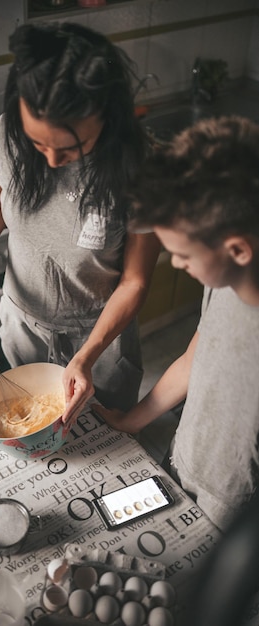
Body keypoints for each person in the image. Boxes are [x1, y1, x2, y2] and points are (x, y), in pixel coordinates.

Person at [0, 22, 160, 424]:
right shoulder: (0, 136)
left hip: (101, 335)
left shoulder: (139, 166)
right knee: (31, 430)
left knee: (105, 442)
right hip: (24, 326)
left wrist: (88, 356)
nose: (51, 162)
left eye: (71, 149)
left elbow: (135, 281)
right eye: (37, 145)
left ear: (106, 117)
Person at [94, 115, 259, 531]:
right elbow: (195, 356)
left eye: (183, 255)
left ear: (236, 249)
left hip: (235, 506)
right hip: (184, 457)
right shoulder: (226, 283)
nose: (177, 264)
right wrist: (131, 420)